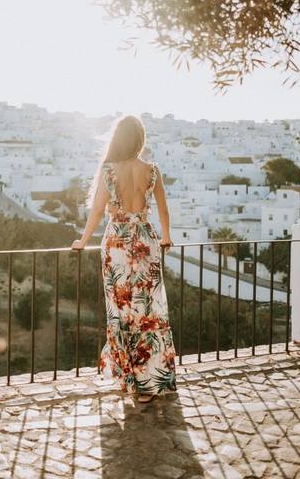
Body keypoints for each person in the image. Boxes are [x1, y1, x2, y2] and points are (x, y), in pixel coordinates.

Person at [71, 115, 177, 403]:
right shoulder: (152, 170)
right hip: (145, 242)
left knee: (121, 311)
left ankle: (129, 379)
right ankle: (149, 382)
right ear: (140, 140)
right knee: (148, 311)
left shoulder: (109, 171)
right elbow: (164, 212)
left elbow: (95, 212)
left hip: (117, 244)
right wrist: (166, 237)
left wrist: (82, 241)